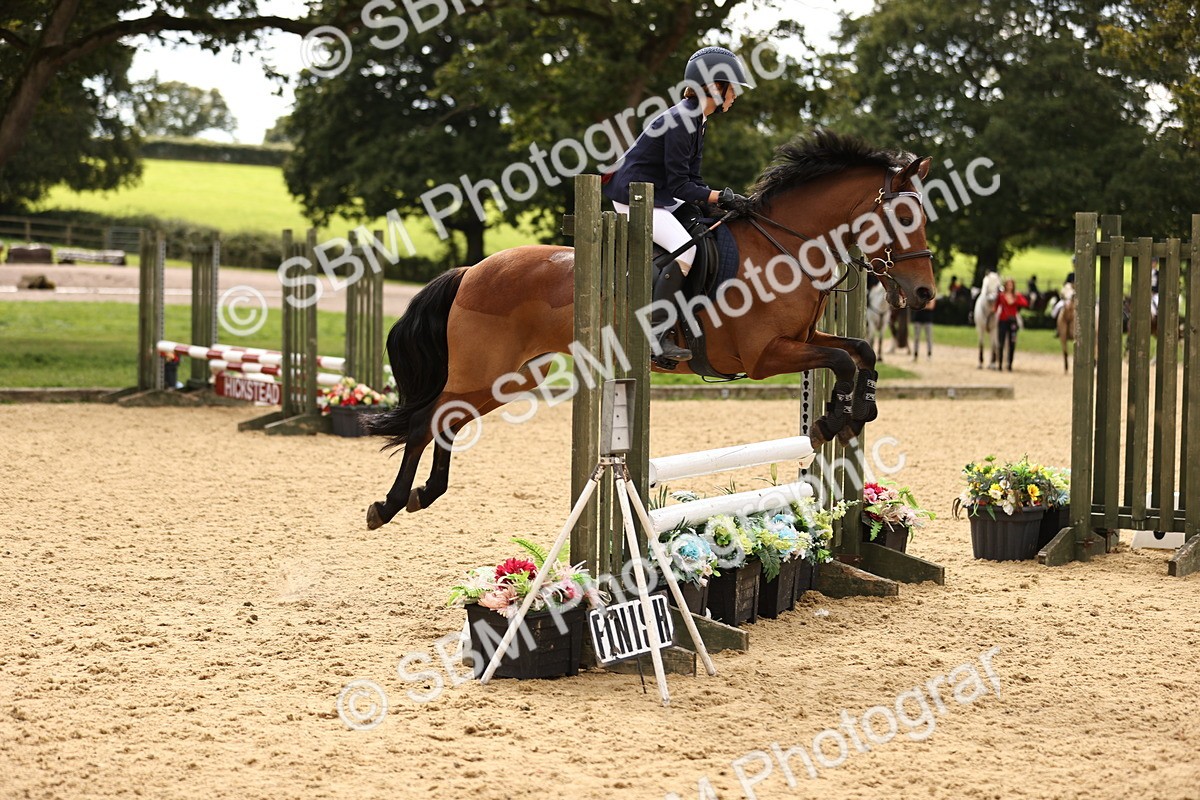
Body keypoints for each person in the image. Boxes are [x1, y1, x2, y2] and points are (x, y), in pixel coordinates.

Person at [602, 46, 753, 362]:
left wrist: (716, 202)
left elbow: (691, 179)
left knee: (702, 227)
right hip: (635, 198)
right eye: (733, 87)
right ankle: (655, 336)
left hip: (660, 195)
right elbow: (680, 185)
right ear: (715, 87)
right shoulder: (683, 120)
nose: (736, 95)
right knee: (687, 249)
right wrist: (719, 196)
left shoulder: (697, 118)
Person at [994, 278, 1029, 371]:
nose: (1010, 286)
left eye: (1011, 285)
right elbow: (996, 306)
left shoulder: (1016, 295)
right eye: (1008, 284)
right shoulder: (1001, 295)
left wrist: (1015, 301)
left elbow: (1025, 303)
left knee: (1012, 342)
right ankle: (1000, 363)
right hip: (1003, 320)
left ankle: (1010, 364)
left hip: (1012, 321)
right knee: (1001, 342)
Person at [910, 295, 936, 359]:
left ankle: (929, 354)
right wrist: (924, 306)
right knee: (916, 338)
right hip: (918, 319)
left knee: (929, 338)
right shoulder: (917, 293)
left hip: (928, 319)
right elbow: (914, 305)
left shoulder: (930, 294)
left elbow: (931, 306)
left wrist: (920, 306)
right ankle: (915, 354)